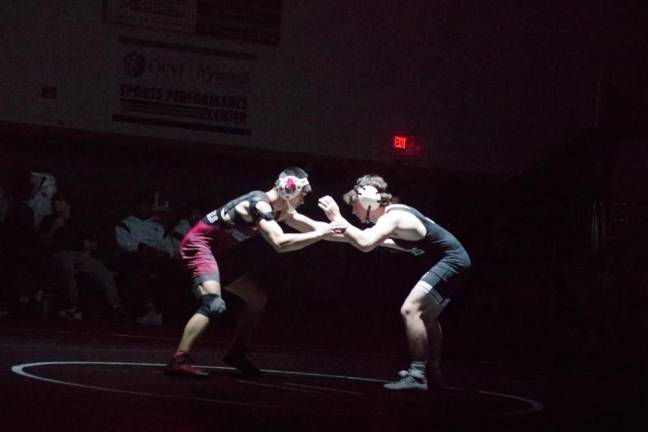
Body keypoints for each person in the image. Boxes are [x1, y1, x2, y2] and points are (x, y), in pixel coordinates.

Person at [165, 167, 342, 377]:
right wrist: (321, 233)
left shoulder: (281, 210)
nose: (303, 201)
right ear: (290, 188)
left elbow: (317, 228)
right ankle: (179, 358)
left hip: (220, 252)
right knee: (213, 304)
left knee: (256, 299)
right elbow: (280, 243)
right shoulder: (257, 204)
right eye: (302, 195)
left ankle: (237, 352)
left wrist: (369, 239)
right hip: (199, 246)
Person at [318, 174, 472, 391]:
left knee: (411, 310)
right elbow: (360, 238)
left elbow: (365, 243)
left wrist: (337, 218)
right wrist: (315, 231)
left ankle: (418, 375)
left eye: (354, 205)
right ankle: (432, 371)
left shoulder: (392, 217)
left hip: (451, 261)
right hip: (455, 261)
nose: (353, 211)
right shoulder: (393, 217)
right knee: (428, 316)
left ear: (368, 201)